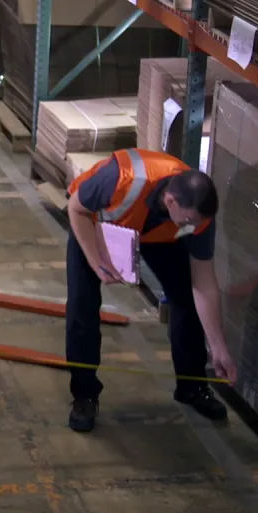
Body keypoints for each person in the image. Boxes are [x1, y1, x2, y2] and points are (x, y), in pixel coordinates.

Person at [64, 147, 236, 433]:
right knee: (83, 304)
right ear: (170, 200)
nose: (194, 227)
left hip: (158, 234)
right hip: (93, 223)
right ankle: (84, 394)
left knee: (186, 299)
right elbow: (76, 208)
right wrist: (97, 264)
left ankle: (192, 387)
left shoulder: (198, 215)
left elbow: (203, 284)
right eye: (189, 221)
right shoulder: (119, 180)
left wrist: (219, 348)